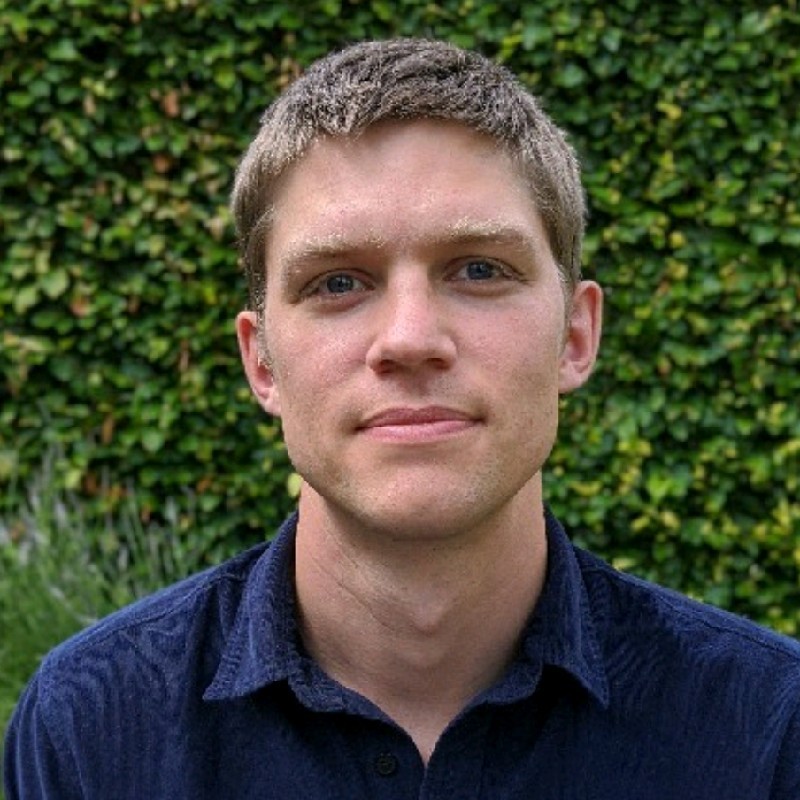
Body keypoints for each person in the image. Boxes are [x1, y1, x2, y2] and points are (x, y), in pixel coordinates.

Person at [4, 38, 799, 799]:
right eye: (338, 283)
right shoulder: (90, 730)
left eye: (479, 269)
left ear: (575, 336)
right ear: (262, 361)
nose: (410, 339)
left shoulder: (771, 730)